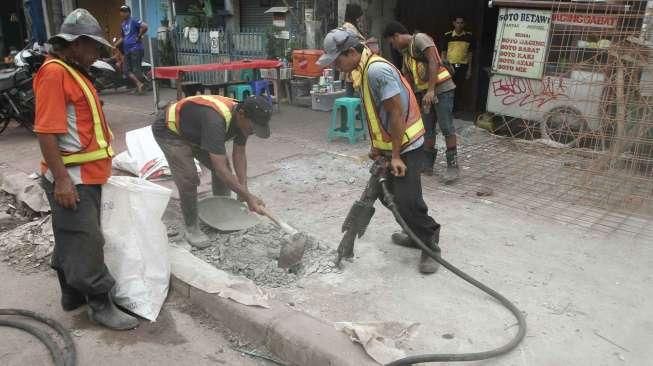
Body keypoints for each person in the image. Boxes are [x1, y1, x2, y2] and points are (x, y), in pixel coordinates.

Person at [34, 8, 138, 330]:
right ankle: (99, 303)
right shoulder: (54, 73)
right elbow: (45, 131)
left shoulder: (73, 71)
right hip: (72, 178)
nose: (97, 55)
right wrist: (63, 180)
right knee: (87, 240)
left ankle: (71, 294)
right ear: (76, 43)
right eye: (93, 47)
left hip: (86, 175)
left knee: (70, 237)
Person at [317, 28, 442, 274]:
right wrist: (377, 147)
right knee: (389, 197)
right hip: (393, 146)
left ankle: (430, 242)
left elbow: (395, 113)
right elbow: (378, 115)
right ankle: (413, 232)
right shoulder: (361, 70)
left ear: (351, 52)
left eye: (337, 60)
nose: (336, 66)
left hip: (407, 146)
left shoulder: (376, 71)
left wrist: (395, 155)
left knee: (407, 199)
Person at [153, 95, 271, 248]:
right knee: (188, 178)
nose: (252, 131)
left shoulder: (243, 118)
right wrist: (249, 197)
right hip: (170, 130)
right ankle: (192, 228)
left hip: (197, 131)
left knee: (225, 173)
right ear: (241, 114)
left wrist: (243, 190)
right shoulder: (215, 120)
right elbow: (220, 169)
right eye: (252, 127)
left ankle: (221, 213)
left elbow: (239, 153)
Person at [383, 21, 460, 183]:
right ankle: (427, 165)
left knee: (446, 127)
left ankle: (453, 167)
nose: (394, 46)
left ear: (396, 36)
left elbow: (433, 61)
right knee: (428, 129)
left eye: (392, 42)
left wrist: (431, 90)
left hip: (442, 89)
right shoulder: (406, 54)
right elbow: (408, 80)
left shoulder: (420, 39)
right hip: (426, 94)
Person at [442, 16, 475, 115]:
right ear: (454, 23)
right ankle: (447, 109)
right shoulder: (447, 36)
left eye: (461, 23)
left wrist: (469, 69)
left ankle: (455, 110)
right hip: (449, 66)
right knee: (447, 88)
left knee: (459, 88)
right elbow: (443, 52)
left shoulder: (469, 36)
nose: (459, 25)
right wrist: (443, 66)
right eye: (457, 23)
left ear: (464, 24)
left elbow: (470, 54)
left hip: (462, 66)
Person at [116, 5, 148, 94]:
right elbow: (123, 37)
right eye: (121, 11)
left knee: (136, 69)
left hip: (136, 48)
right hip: (127, 50)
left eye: (124, 11)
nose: (122, 13)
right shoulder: (123, 24)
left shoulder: (134, 20)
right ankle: (139, 84)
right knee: (126, 70)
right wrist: (115, 44)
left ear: (128, 12)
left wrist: (139, 35)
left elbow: (145, 26)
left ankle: (140, 87)